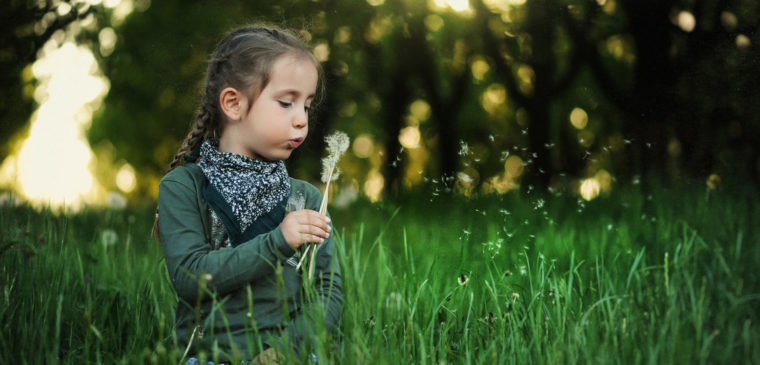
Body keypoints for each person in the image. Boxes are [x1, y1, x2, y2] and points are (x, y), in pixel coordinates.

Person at [153, 24, 343, 364]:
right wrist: (278, 241)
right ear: (233, 103)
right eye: (286, 103)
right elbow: (189, 277)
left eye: (307, 106)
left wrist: (285, 352)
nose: (301, 119)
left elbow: (328, 291)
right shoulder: (184, 187)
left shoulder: (307, 199)